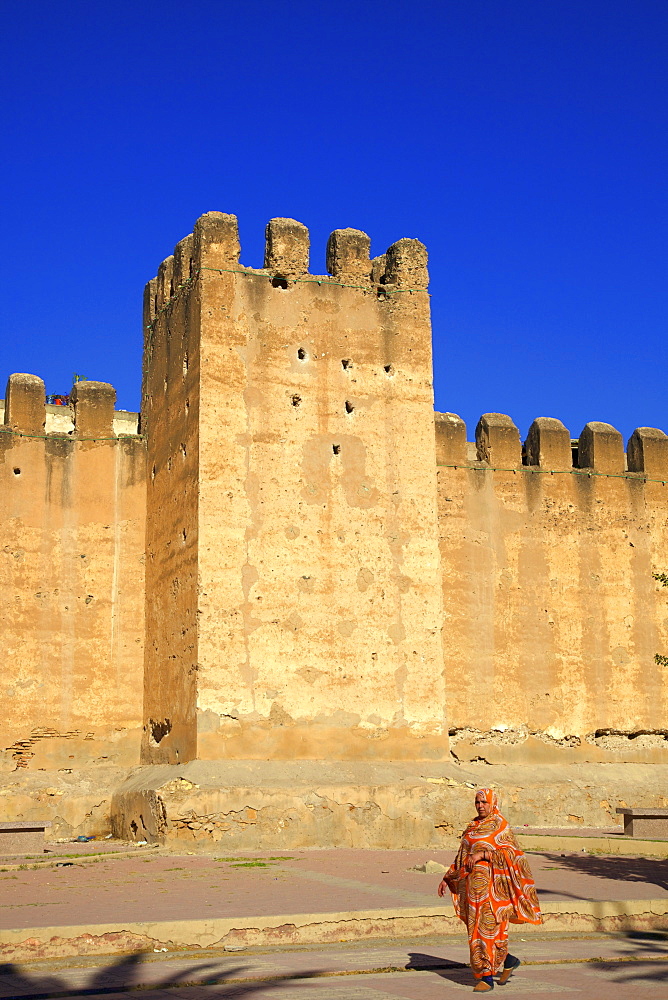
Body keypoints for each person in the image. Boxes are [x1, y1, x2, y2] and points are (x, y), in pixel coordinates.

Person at [437, 787, 542, 992]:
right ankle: (509, 961)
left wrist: (483, 856)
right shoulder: (472, 826)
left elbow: (513, 855)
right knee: (475, 931)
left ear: (492, 803)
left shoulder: (500, 826)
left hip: (494, 892)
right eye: (477, 802)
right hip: (471, 890)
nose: (480, 806)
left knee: (487, 930)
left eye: (484, 802)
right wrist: (447, 877)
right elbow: (461, 856)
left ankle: (487, 977)